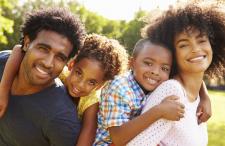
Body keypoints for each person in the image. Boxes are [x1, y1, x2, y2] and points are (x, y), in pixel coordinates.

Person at [0, 34, 129, 146]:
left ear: (100, 86)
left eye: (91, 82)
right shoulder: (60, 72)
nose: (80, 84)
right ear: (71, 65)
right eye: (79, 73)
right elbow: (18, 50)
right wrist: (3, 91)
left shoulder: (92, 102)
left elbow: (88, 135)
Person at [127, 3, 225, 146]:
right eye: (183, 45)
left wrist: (204, 95)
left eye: (202, 40)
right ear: (172, 54)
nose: (195, 49)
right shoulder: (172, 91)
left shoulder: (197, 95)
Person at [94, 37, 211, 146]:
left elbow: (189, 75)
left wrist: (205, 96)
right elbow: (118, 138)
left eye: (164, 68)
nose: (155, 72)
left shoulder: (157, 83)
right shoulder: (119, 87)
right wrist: (158, 111)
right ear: (132, 63)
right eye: (148, 63)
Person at [0, 8, 86, 146]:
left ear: (67, 63)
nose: (48, 63)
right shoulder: (3, 61)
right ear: (27, 43)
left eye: (60, 57)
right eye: (43, 49)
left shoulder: (61, 119)